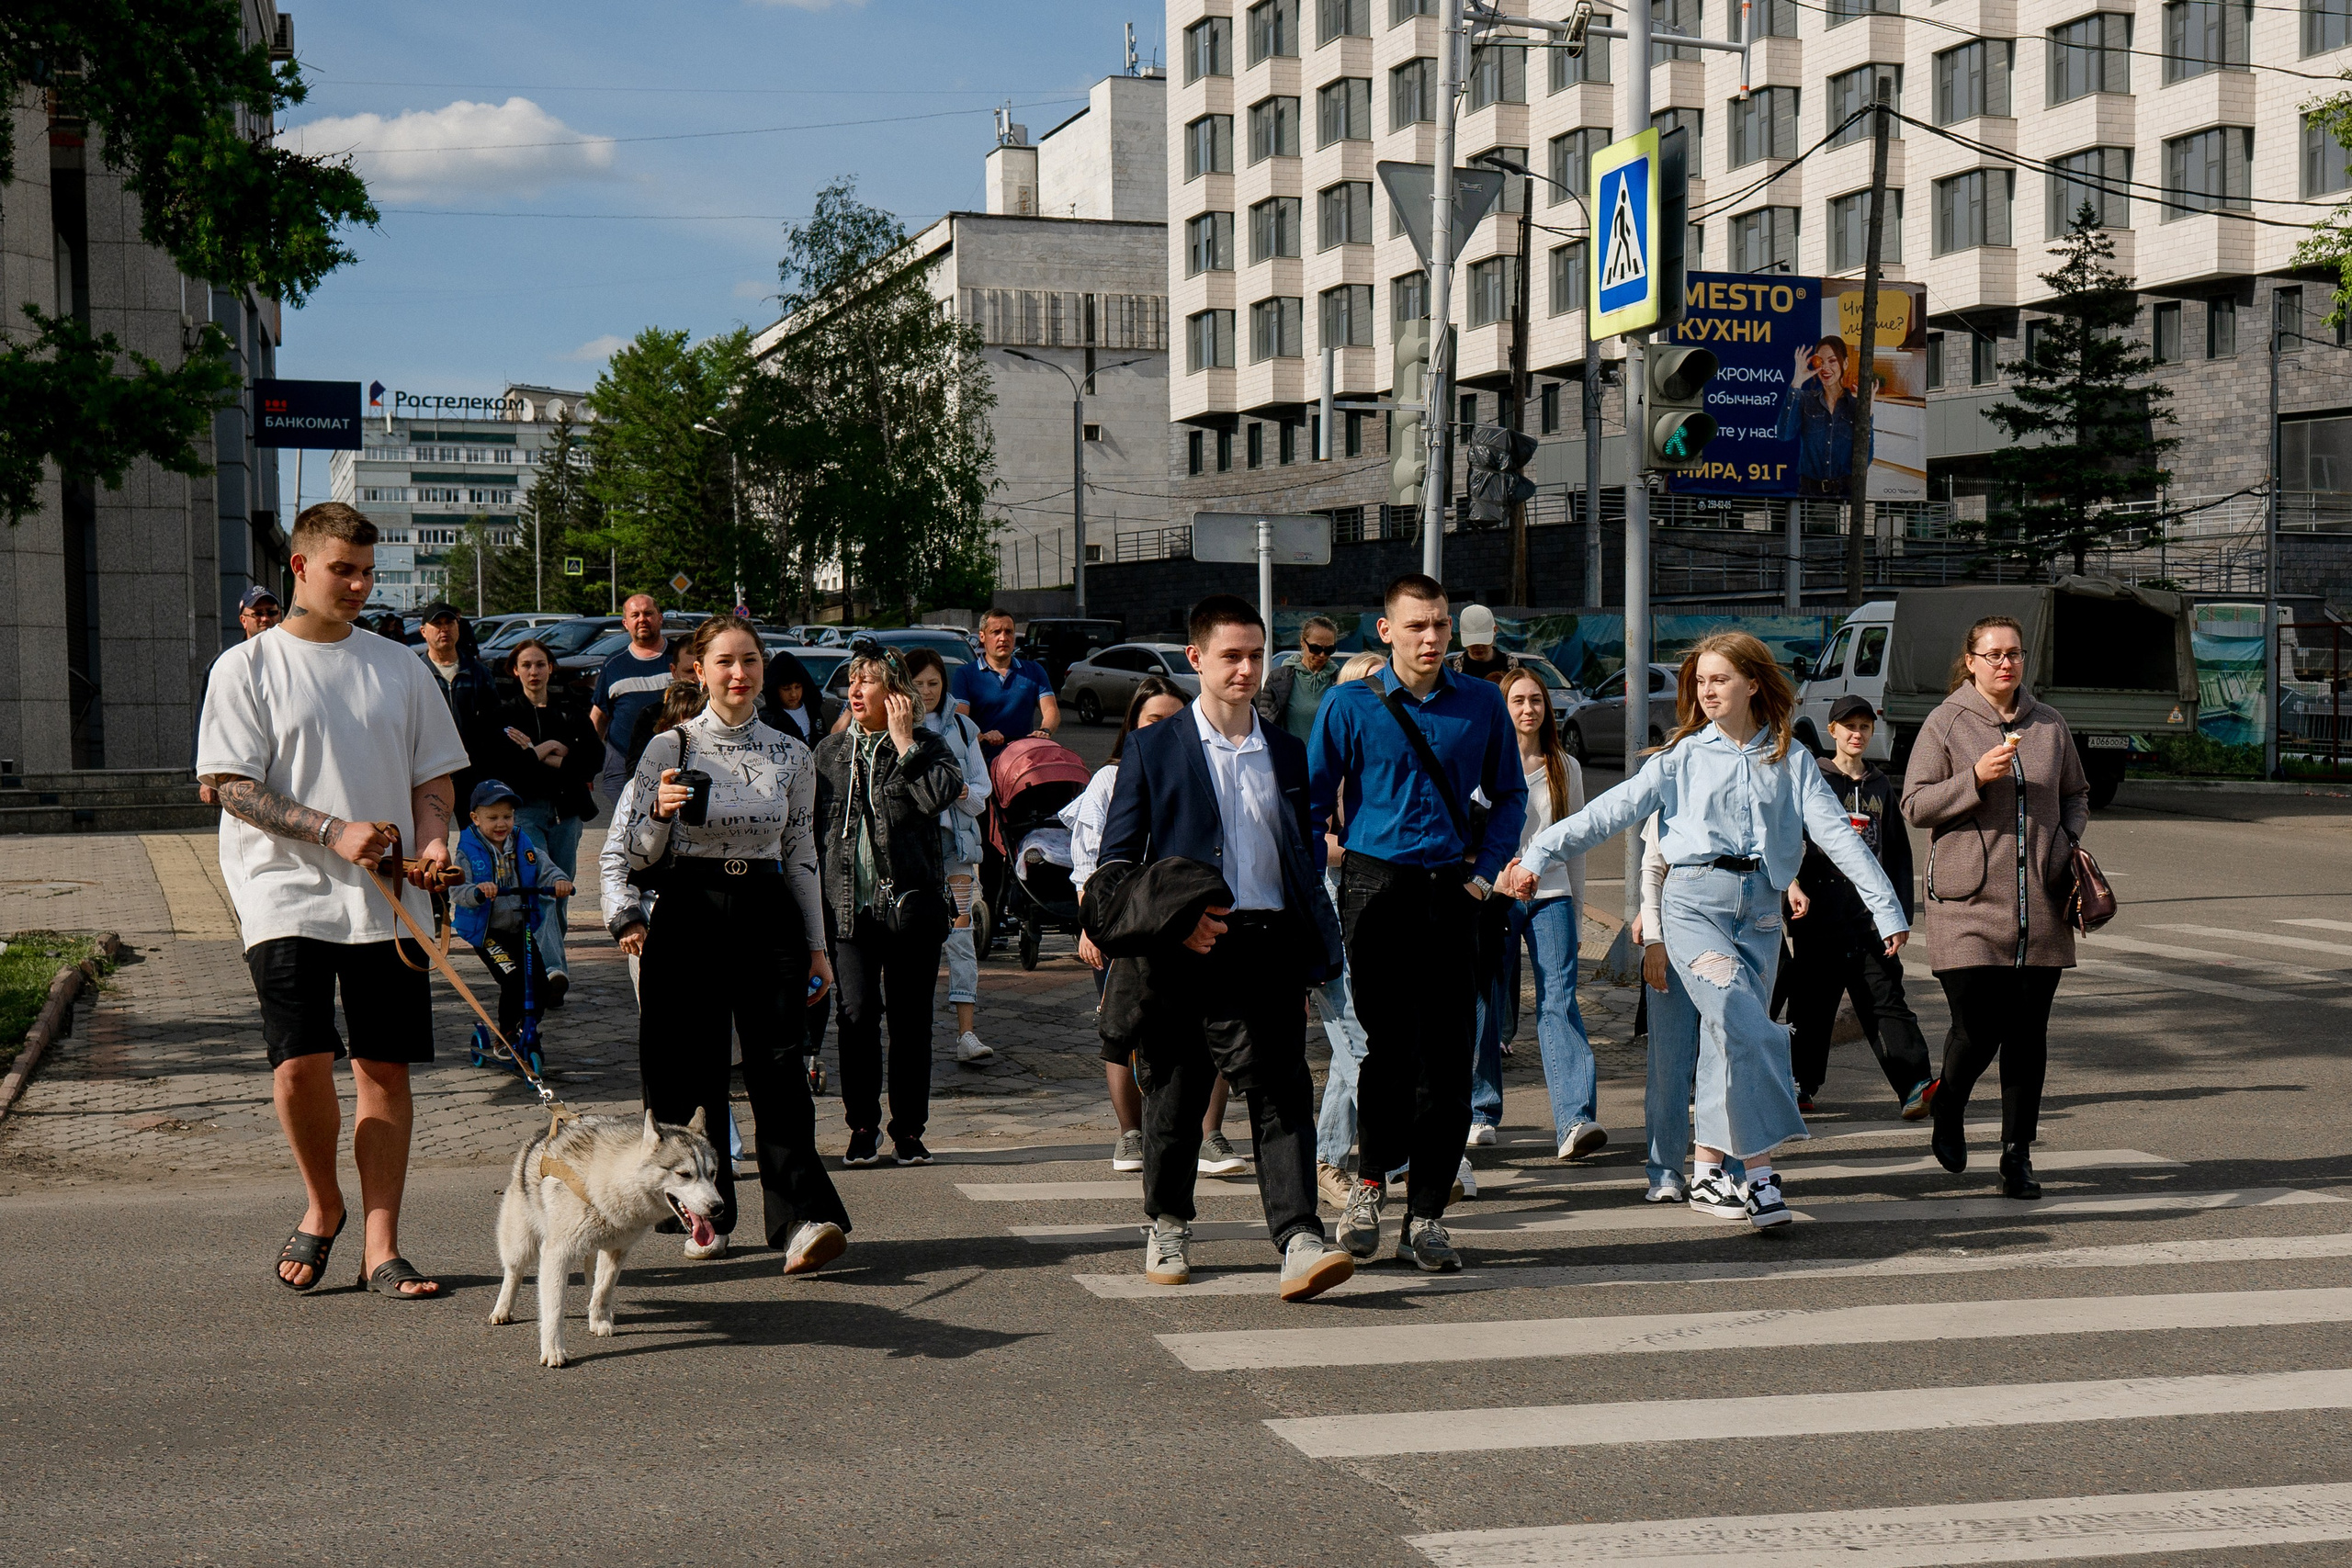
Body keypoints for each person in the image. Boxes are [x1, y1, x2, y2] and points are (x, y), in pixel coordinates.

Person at [1499, 632, 1907, 1228]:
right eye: (1700, 680)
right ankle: (1763, 1177)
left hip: (1763, 912)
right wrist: (1538, 854)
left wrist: (1886, 907)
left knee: (1727, 1038)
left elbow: (1839, 836)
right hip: (1692, 904)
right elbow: (1606, 813)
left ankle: (1711, 1172)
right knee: (1748, 1026)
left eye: (1719, 678)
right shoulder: (1680, 757)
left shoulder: (1791, 758)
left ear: (1752, 683)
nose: (1706, 689)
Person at [197, 501, 468, 1299]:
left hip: (386, 900)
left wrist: (434, 842)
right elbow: (228, 785)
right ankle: (323, 1205)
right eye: (342, 569)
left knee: (383, 1066)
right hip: (281, 890)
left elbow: (434, 778)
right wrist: (330, 829)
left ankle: (381, 1244)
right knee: (300, 1062)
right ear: (300, 568)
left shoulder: (400, 667)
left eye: (366, 572)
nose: (356, 584)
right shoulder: (245, 667)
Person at [1092, 594, 1353, 1301]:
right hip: (1185, 950)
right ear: (1196, 658)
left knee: (1281, 1091)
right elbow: (1116, 864)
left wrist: (1316, 951)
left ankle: (1299, 1236)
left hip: (1266, 942)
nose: (1245, 669)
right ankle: (1169, 1220)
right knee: (1174, 1094)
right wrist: (1173, 920)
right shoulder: (1156, 748)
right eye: (1231, 655)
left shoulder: (1286, 751)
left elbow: (1296, 857)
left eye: (1256, 654)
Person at [616, 615, 851, 1272]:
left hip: (767, 909)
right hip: (688, 909)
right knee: (691, 1070)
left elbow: (802, 850)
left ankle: (800, 1218)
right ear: (699, 669)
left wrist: (817, 943)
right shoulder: (669, 747)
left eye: (749, 660)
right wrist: (659, 814)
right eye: (724, 661)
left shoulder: (792, 752)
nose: (738, 673)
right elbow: (635, 851)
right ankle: (705, 1216)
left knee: (778, 1066)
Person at [1307, 574, 1527, 1272]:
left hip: (1452, 889)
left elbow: (1510, 794)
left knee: (1450, 1056)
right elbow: (1309, 804)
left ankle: (1426, 1213)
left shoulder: (1482, 702)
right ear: (1385, 631)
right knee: (1386, 1051)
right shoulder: (1349, 705)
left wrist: (1485, 871)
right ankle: (1369, 1185)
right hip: (1374, 886)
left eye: (1440, 625)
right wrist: (1321, 875)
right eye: (1417, 627)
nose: (1431, 638)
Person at [1900, 615, 2091, 1200]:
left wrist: (2064, 843)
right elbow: (1914, 804)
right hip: (1968, 905)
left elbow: (2076, 794)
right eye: (1993, 654)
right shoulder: (1947, 722)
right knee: (1978, 1026)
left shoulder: (2050, 725)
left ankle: (2017, 1155)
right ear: (1972, 660)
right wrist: (1973, 778)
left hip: (2041, 907)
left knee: (2028, 1037)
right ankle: (1949, 1104)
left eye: (2014, 654)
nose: (2005, 663)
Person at [1066, 676, 1240, 1176]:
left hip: (1200, 920)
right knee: (1125, 1026)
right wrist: (1093, 926)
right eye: (1153, 720)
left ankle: (1210, 1134)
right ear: (1134, 727)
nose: (1165, 729)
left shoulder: (1209, 768)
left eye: (1174, 719)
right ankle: (1131, 1133)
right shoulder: (1108, 779)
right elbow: (1095, 864)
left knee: (1212, 1030)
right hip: (1128, 921)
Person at [813, 646, 966, 1166]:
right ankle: (862, 1126)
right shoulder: (828, 755)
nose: (855, 691)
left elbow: (936, 796)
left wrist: (904, 744)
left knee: (911, 1021)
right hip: (847, 910)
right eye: (851, 682)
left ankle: (908, 1130)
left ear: (896, 695)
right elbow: (812, 836)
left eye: (868, 682)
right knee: (855, 1016)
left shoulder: (929, 744)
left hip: (910, 910)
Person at [1783, 694, 1934, 1119]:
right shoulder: (1813, 778)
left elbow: (1899, 858)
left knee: (1886, 999)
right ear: (1832, 730)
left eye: (1865, 727)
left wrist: (1898, 916)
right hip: (1818, 915)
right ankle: (1800, 1083)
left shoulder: (1880, 785)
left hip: (1868, 920)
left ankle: (1915, 1085)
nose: (1857, 734)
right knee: (1812, 1005)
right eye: (1848, 726)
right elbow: (1784, 840)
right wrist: (1790, 885)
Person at [1488, 664, 1600, 1162]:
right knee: (1485, 1001)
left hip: (1550, 897)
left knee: (1558, 999)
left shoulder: (1565, 766)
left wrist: (1576, 910)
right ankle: (1480, 1110)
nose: (1528, 709)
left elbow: (1575, 844)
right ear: (1502, 706)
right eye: (1518, 700)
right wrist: (1494, 879)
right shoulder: (1485, 761)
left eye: (1536, 700)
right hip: (1493, 895)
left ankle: (1574, 1119)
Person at [1309, 652, 1385, 1210]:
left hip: (1379, 906)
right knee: (1354, 1038)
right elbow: (1308, 837)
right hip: (1329, 906)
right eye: (1364, 690)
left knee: (1356, 1043)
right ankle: (1396, 1151)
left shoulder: (1390, 758)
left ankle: (1330, 1157)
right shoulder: (1326, 760)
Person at [492, 637, 601, 1007]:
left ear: (551, 668)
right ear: (515, 671)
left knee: (561, 892)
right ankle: (553, 971)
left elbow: (590, 762)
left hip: (566, 813)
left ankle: (544, 969)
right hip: (525, 814)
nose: (534, 671)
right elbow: (509, 768)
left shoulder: (571, 709)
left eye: (540, 664)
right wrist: (548, 751)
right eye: (526, 665)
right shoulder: (507, 713)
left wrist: (540, 752)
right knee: (542, 888)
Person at [904, 648, 995, 1065]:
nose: (926, 691)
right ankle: (908, 1032)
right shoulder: (895, 729)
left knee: (961, 937)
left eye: (934, 683)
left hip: (955, 849)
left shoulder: (961, 727)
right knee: (908, 939)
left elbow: (981, 791)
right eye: (918, 683)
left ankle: (967, 1034)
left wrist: (957, 792)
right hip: (910, 854)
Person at [451, 780, 571, 1077]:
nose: (501, 823)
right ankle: (505, 1035)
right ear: (475, 818)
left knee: (541, 985)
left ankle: (524, 1027)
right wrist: (478, 891)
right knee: (515, 980)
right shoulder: (468, 850)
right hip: (488, 932)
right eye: (492, 818)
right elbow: (458, 889)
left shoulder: (522, 843)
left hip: (521, 926)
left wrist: (559, 882)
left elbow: (546, 867)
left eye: (507, 816)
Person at [592, 593, 673, 807]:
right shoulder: (614, 664)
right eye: (635, 615)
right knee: (631, 827)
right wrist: (588, 764)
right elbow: (599, 716)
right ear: (625, 623)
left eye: (648, 613)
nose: (642, 619)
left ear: (660, 618)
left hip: (674, 760)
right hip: (623, 763)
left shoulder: (679, 658)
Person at [414, 601, 500, 804]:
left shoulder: (478, 672)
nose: (444, 629)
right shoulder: (414, 672)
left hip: (473, 771)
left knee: (473, 832)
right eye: (437, 624)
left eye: (449, 623)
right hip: (430, 771)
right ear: (423, 631)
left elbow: (495, 722)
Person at [952, 606, 1059, 751]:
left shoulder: (1034, 670)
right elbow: (961, 718)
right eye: (996, 632)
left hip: (1022, 759)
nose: (1003, 638)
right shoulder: (965, 674)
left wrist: (1045, 731)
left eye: (1009, 632)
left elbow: (1051, 710)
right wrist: (982, 736)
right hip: (982, 760)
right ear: (982, 636)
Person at [1775, 334, 1870, 499]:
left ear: (1845, 363)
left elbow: (1865, 458)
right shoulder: (1805, 400)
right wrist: (1797, 381)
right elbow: (1784, 435)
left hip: (1845, 494)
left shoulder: (1855, 406)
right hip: (1808, 492)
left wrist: (1869, 410)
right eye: (1820, 361)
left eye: (1832, 361)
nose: (1825, 368)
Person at [1254, 615, 1342, 743]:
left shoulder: (1339, 681)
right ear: (1302, 641)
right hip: (1288, 757)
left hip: (1326, 760)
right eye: (1316, 648)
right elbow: (1264, 722)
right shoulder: (1278, 678)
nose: (1322, 655)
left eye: (1329, 650)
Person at [763, 647, 836, 747]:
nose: (793, 694)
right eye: (786, 689)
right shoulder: (768, 718)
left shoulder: (813, 710)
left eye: (797, 687)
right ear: (775, 690)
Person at [1450, 604, 1516, 684]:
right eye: (1473, 642)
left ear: (1495, 630)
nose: (1478, 647)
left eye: (1483, 641)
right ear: (1461, 634)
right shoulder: (1452, 668)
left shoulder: (1513, 666)